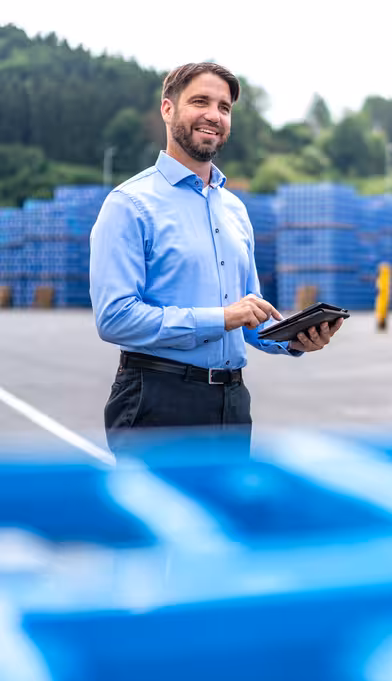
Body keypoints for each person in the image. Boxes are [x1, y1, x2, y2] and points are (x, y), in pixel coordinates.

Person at [90, 62, 343, 452]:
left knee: (229, 514)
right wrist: (222, 317)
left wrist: (294, 340)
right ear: (168, 109)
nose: (214, 115)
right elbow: (115, 318)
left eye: (224, 107)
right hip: (158, 400)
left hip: (232, 402)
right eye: (200, 102)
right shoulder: (129, 205)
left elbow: (248, 316)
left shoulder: (235, 211)